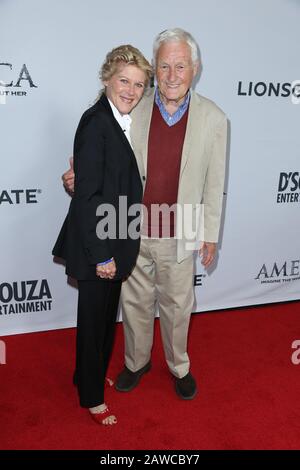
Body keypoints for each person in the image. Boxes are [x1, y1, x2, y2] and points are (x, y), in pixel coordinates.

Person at [62, 28, 228, 401]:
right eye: (164, 65)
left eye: (180, 66)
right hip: (127, 224)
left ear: (195, 69)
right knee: (134, 302)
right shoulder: (132, 104)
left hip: (182, 226)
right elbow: (103, 154)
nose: (171, 75)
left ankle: (178, 366)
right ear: (155, 67)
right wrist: (79, 175)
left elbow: (214, 182)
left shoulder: (214, 118)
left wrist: (210, 234)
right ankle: (136, 362)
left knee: (178, 304)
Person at [53, 45, 152, 425]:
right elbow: (89, 196)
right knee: (94, 321)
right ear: (107, 78)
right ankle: (91, 397)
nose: (130, 90)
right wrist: (102, 256)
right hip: (100, 244)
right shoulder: (96, 122)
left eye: (139, 84)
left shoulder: (118, 119)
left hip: (115, 239)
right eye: (124, 80)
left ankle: (86, 376)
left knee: (104, 319)